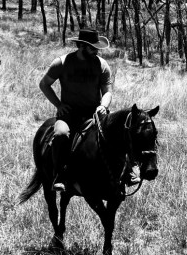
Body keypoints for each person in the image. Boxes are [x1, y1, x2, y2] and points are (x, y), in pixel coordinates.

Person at [39, 28, 139, 191]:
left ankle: (129, 171)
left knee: (120, 131)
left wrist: (103, 106)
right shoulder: (62, 63)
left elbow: (107, 92)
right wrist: (59, 105)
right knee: (61, 134)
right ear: (81, 46)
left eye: (97, 48)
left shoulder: (102, 65)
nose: (96, 51)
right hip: (69, 114)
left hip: (94, 113)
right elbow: (44, 84)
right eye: (93, 48)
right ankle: (60, 175)